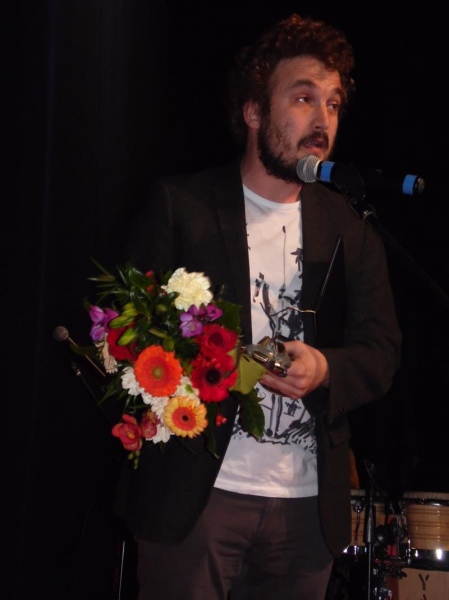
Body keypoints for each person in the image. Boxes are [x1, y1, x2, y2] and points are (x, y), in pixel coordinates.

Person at [114, 12, 402, 600]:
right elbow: (128, 333)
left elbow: (382, 350)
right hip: (197, 496)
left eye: (333, 104)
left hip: (305, 509)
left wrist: (325, 368)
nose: (322, 119)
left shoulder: (351, 228)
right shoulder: (183, 207)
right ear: (253, 112)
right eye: (303, 97)